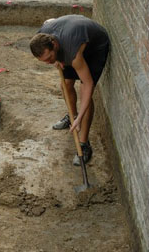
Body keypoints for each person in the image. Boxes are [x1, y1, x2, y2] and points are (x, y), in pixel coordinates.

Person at [30, 14, 109, 166]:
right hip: (71, 42)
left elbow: (88, 84)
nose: (48, 63)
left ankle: (84, 144)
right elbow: (49, 20)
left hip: (95, 46)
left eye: (49, 58)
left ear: (54, 44)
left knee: (83, 90)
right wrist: (56, 59)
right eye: (44, 61)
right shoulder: (42, 37)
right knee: (65, 84)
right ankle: (72, 116)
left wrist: (81, 117)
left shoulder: (73, 52)